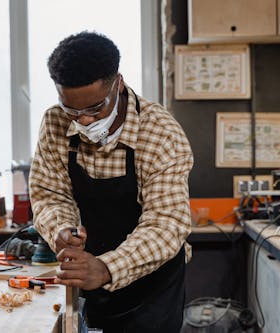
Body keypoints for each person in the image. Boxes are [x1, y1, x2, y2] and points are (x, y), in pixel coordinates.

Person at [29, 31, 193, 333]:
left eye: (94, 109)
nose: (84, 121)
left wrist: (106, 268)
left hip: (152, 286)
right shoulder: (55, 122)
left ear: (117, 83)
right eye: (71, 110)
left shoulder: (159, 132)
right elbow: (49, 194)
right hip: (91, 279)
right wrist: (61, 231)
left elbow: (167, 223)